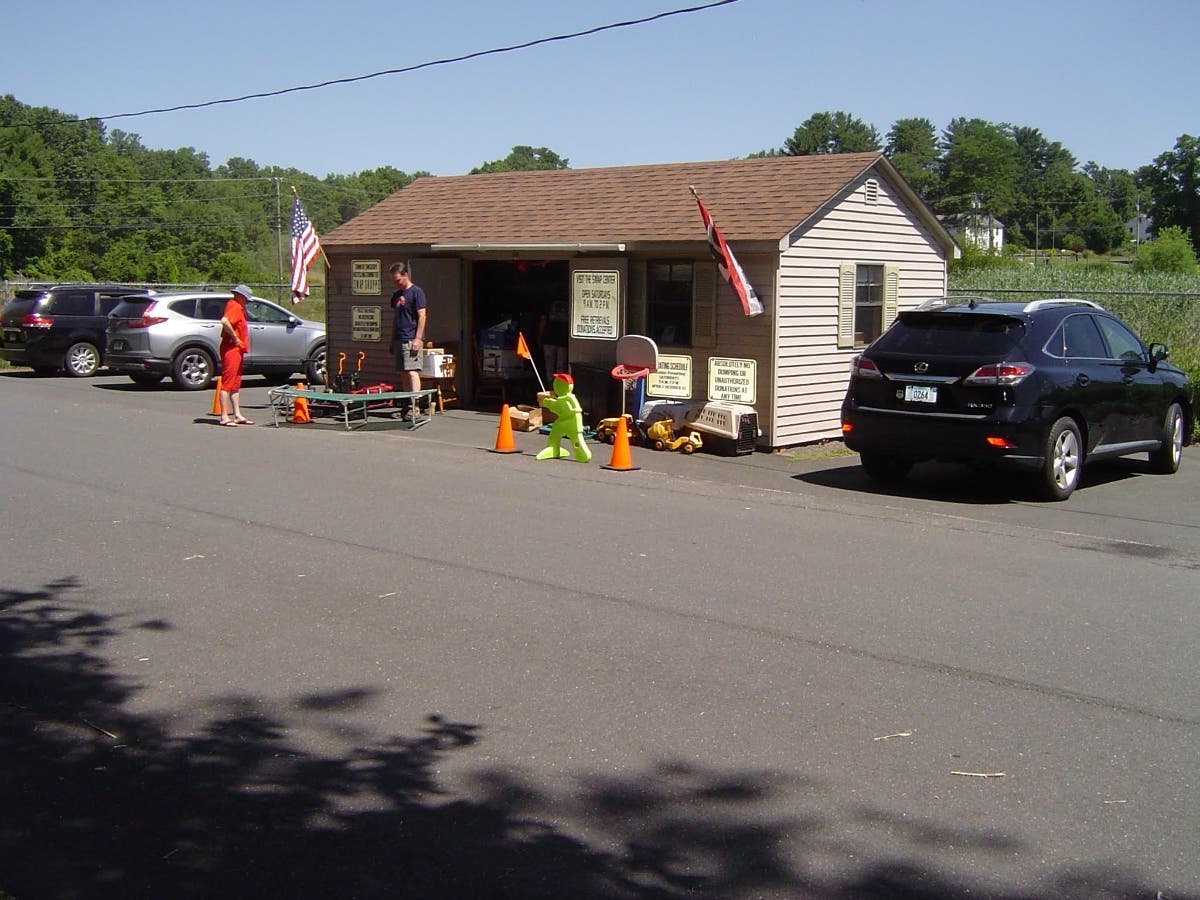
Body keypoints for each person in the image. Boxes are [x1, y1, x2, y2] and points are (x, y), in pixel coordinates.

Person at [388, 263, 427, 415]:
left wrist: (418, 338)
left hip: (411, 338)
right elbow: (395, 319)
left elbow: (422, 316)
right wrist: (392, 340)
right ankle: (407, 403)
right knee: (403, 372)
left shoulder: (416, 292)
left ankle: (415, 405)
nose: (396, 283)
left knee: (412, 371)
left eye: (397, 280)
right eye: (393, 280)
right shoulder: (396, 296)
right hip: (399, 338)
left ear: (405, 276)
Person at [218, 284, 253, 426]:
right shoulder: (234, 306)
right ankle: (224, 416)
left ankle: (237, 414)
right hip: (231, 349)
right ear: (240, 296)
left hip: (239, 349)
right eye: (245, 299)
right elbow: (225, 321)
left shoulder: (239, 307)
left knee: (235, 383)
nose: (246, 302)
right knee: (227, 383)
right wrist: (235, 338)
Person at [538, 296, 569, 377]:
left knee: (550, 367)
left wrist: (540, 337)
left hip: (550, 339)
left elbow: (543, 320)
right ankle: (558, 388)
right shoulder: (569, 299)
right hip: (562, 339)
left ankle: (551, 387)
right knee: (561, 367)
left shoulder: (548, 300)